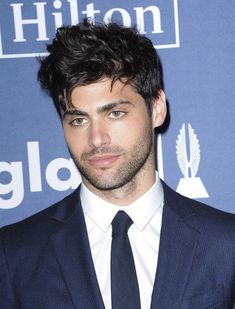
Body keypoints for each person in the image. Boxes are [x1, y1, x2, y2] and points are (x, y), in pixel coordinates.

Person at [0, 19, 235, 309]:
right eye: (78, 120)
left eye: (115, 114)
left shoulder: (225, 245)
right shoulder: (15, 254)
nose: (96, 139)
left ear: (157, 109)